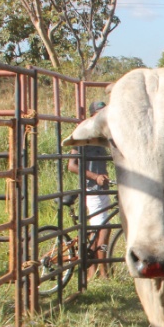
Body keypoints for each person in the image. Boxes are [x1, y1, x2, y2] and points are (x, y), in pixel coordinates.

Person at [67, 101, 111, 280]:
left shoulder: (104, 135)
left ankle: (93, 271)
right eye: (99, 113)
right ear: (93, 115)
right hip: (92, 189)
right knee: (104, 230)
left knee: (97, 231)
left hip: (101, 188)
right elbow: (71, 165)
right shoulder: (82, 135)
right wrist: (95, 177)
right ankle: (102, 272)